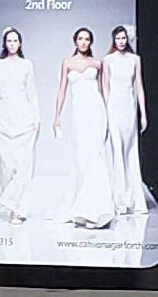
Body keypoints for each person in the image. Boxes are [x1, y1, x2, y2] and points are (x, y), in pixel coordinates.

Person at [52, 27, 115, 229]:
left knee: (96, 155)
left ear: (91, 42)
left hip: (96, 112)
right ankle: (81, 208)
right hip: (78, 115)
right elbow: (62, 89)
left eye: (87, 39)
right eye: (80, 38)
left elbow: (102, 90)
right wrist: (57, 117)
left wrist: (108, 115)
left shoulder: (97, 63)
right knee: (81, 158)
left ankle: (95, 211)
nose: (83, 42)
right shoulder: (67, 63)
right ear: (75, 41)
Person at [0, 28, 38, 225]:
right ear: (4, 43)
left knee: (25, 166)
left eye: (15, 40)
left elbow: (32, 92)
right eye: (9, 40)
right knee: (9, 165)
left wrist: (37, 118)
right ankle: (11, 202)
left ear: (20, 43)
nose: (12, 43)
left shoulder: (27, 65)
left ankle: (18, 209)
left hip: (25, 117)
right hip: (4, 118)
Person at [102, 25, 149, 215]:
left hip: (129, 108)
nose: (121, 42)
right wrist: (105, 112)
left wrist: (143, 114)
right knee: (117, 152)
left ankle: (133, 200)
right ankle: (118, 200)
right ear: (113, 40)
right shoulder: (108, 60)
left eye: (123, 38)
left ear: (127, 39)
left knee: (130, 151)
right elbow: (105, 86)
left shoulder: (135, 60)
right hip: (113, 108)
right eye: (117, 39)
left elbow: (139, 87)